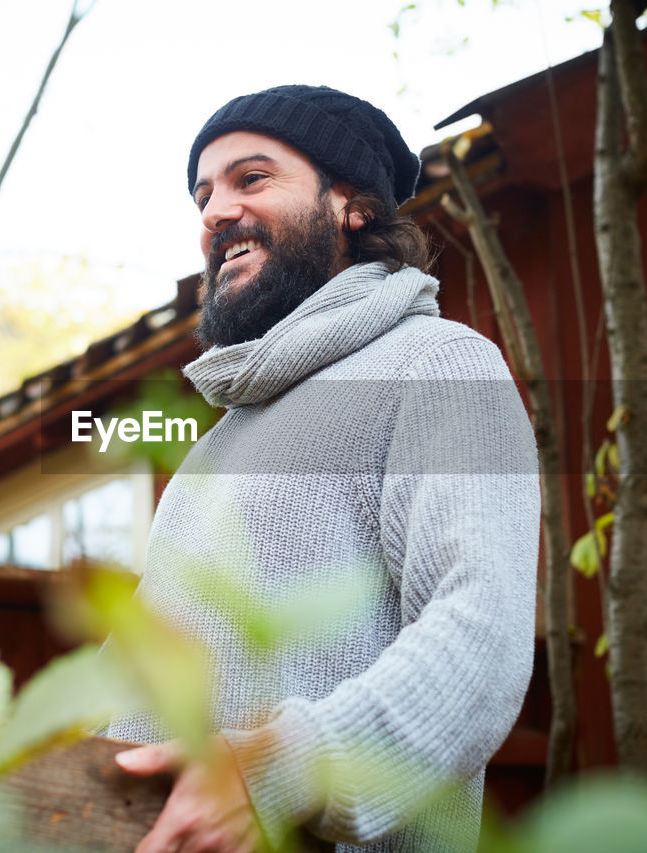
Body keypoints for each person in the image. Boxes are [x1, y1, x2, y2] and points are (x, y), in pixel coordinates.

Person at [106, 85, 539, 853]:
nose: (213, 211)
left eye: (252, 178)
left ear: (352, 205)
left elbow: (480, 636)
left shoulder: (438, 364)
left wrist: (278, 770)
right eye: (204, 193)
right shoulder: (214, 446)